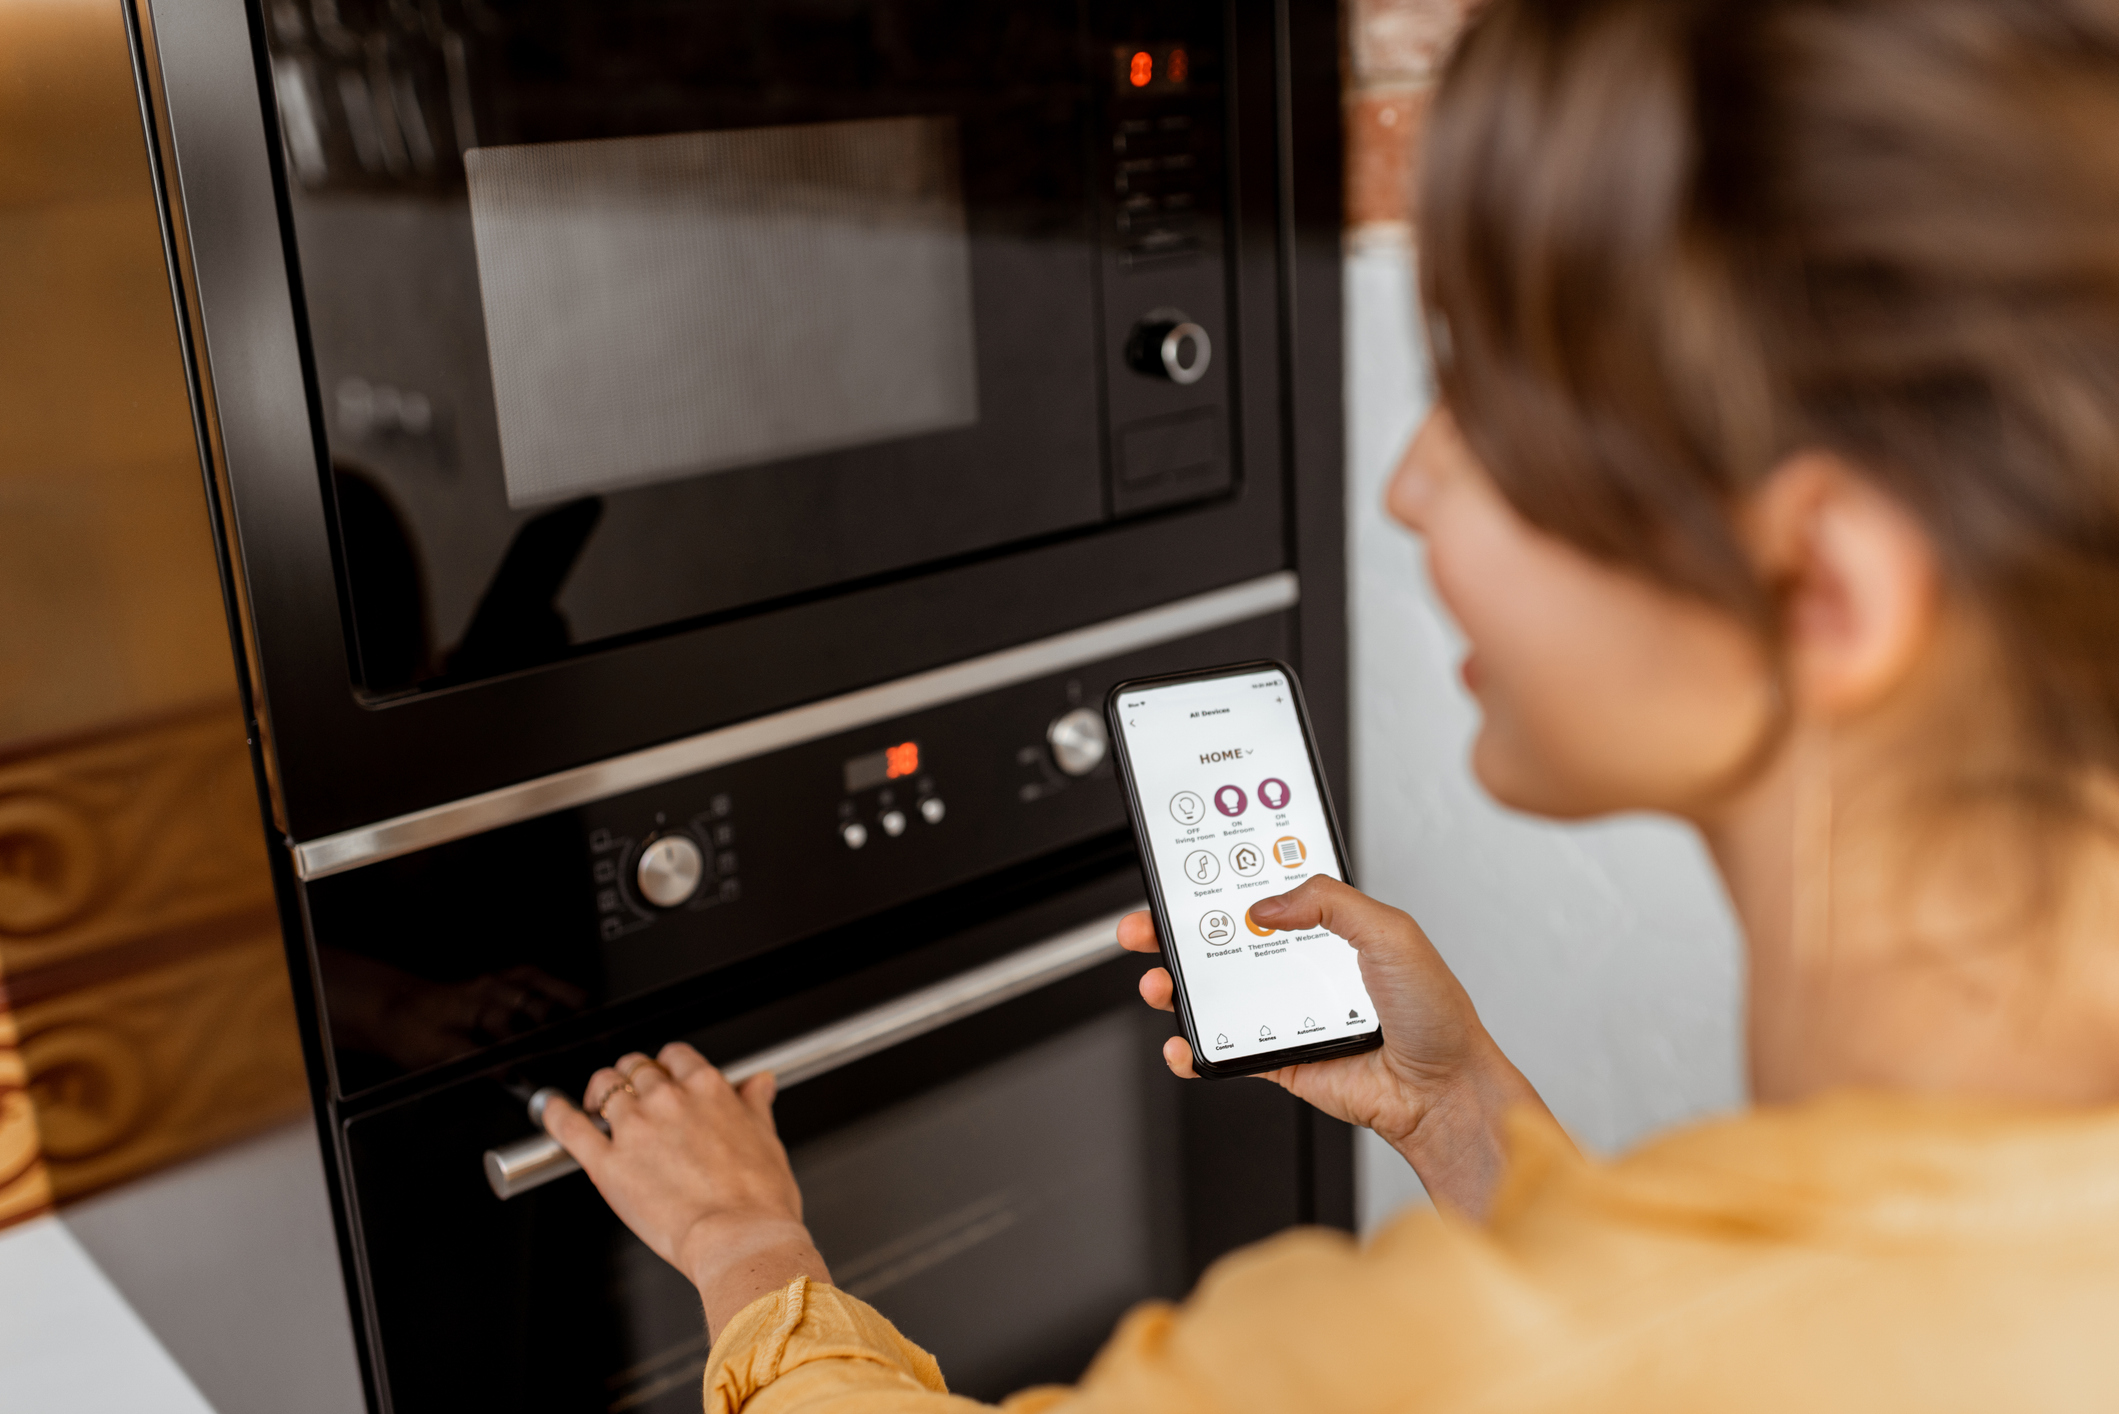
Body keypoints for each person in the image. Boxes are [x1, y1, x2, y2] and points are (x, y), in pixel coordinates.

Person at [543, 0, 2119, 1406]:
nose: (1412, 482)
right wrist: (1459, 1110)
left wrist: (749, 1247)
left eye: (1493, 405)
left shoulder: (1384, 1369)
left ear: (1822, 585)